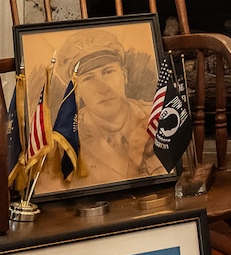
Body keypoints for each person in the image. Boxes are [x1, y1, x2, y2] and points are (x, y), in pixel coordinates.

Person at [56, 29, 164, 186]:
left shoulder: (157, 117)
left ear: (124, 76)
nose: (102, 87)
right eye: (89, 78)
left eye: (107, 72)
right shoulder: (68, 137)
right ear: (76, 91)